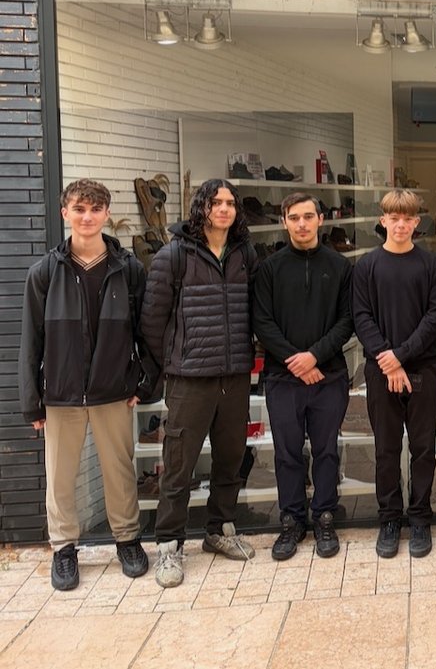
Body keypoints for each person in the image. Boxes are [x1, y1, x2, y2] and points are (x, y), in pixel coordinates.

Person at [19, 179, 156, 591]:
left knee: (118, 470)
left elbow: (146, 332)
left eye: (95, 209)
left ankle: (128, 541)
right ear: (65, 214)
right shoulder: (44, 272)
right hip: (60, 393)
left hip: (113, 389)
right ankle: (64, 549)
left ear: (106, 214)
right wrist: (32, 402)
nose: (87, 216)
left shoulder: (128, 268)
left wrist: (145, 381)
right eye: (79, 209)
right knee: (61, 476)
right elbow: (30, 341)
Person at [141, 179, 258, 588]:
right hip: (190, 379)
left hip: (235, 375)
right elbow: (152, 322)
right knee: (179, 465)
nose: (224, 209)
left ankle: (219, 530)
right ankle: (169, 545)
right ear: (201, 208)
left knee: (230, 458)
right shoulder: (173, 255)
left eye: (230, 203)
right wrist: (176, 360)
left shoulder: (245, 253)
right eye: (216, 203)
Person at [252, 192, 353, 561]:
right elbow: (261, 321)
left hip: (329, 376)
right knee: (287, 453)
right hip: (283, 378)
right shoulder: (269, 268)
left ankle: (325, 515)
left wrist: (314, 357)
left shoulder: (341, 267)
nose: (302, 224)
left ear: (320, 220)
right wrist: (295, 360)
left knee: (327, 451)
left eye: (308, 216)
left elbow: (347, 321)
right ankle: (291, 520)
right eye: (294, 217)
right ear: (284, 221)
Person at [353, 189, 436, 560]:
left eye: (408, 218)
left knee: (423, 449)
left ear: (416, 223)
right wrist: (386, 360)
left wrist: (401, 357)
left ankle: (420, 517)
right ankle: (390, 518)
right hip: (380, 371)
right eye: (395, 218)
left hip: (422, 367)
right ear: (383, 220)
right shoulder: (366, 266)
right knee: (386, 449)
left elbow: (435, 317)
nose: (401, 224)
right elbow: (361, 316)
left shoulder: (430, 265)